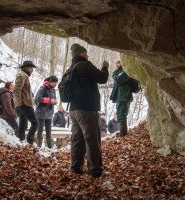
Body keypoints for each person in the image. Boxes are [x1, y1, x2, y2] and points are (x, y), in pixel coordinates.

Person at [68, 43, 109, 178]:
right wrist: (105, 68)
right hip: (87, 110)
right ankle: (95, 170)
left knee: (77, 140)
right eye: (86, 53)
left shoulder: (71, 68)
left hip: (73, 110)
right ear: (81, 53)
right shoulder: (85, 65)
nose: (88, 55)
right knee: (92, 140)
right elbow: (102, 78)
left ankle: (75, 168)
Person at [14, 60, 39, 144]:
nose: (32, 70)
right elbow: (16, 90)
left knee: (22, 124)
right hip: (25, 104)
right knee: (35, 123)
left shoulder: (24, 75)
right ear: (27, 68)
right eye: (31, 68)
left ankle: (19, 141)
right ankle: (29, 141)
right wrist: (20, 103)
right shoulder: (22, 75)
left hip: (25, 103)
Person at [110, 60, 133, 137]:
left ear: (120, 64)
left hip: (123, 97)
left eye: (117, 64)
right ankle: (122, 133)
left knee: (121, 115)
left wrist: (115, 72)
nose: (116, 66)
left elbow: (118, 80)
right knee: (120, 115)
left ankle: (123, 134)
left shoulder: (125, 71)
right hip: (121, 97)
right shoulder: (121, 71)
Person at [35, 76, 58, 148]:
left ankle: (50, 147)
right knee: (40, 130)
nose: (55, 84)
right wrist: (49, 100)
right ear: (50, 82)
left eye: (56, 83)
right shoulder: (43, 88)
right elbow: (38, 98)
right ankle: (38, 146)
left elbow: (53, 99)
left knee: (49, 131)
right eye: (54, 83)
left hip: (49, 113)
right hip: (41, 112)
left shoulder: (54, 90)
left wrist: (54, 102)